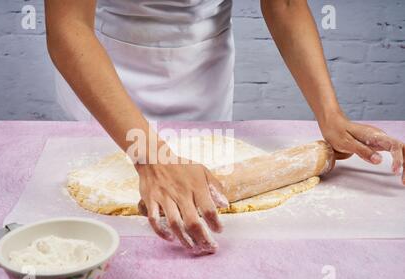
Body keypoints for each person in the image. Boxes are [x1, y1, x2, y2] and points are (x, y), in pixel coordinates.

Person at [44, 0, 404, 255]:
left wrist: (331, 115)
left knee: (202, 184)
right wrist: (150, 156)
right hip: (109, 77)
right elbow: (67, 24)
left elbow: (287, 4)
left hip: (204, 70)